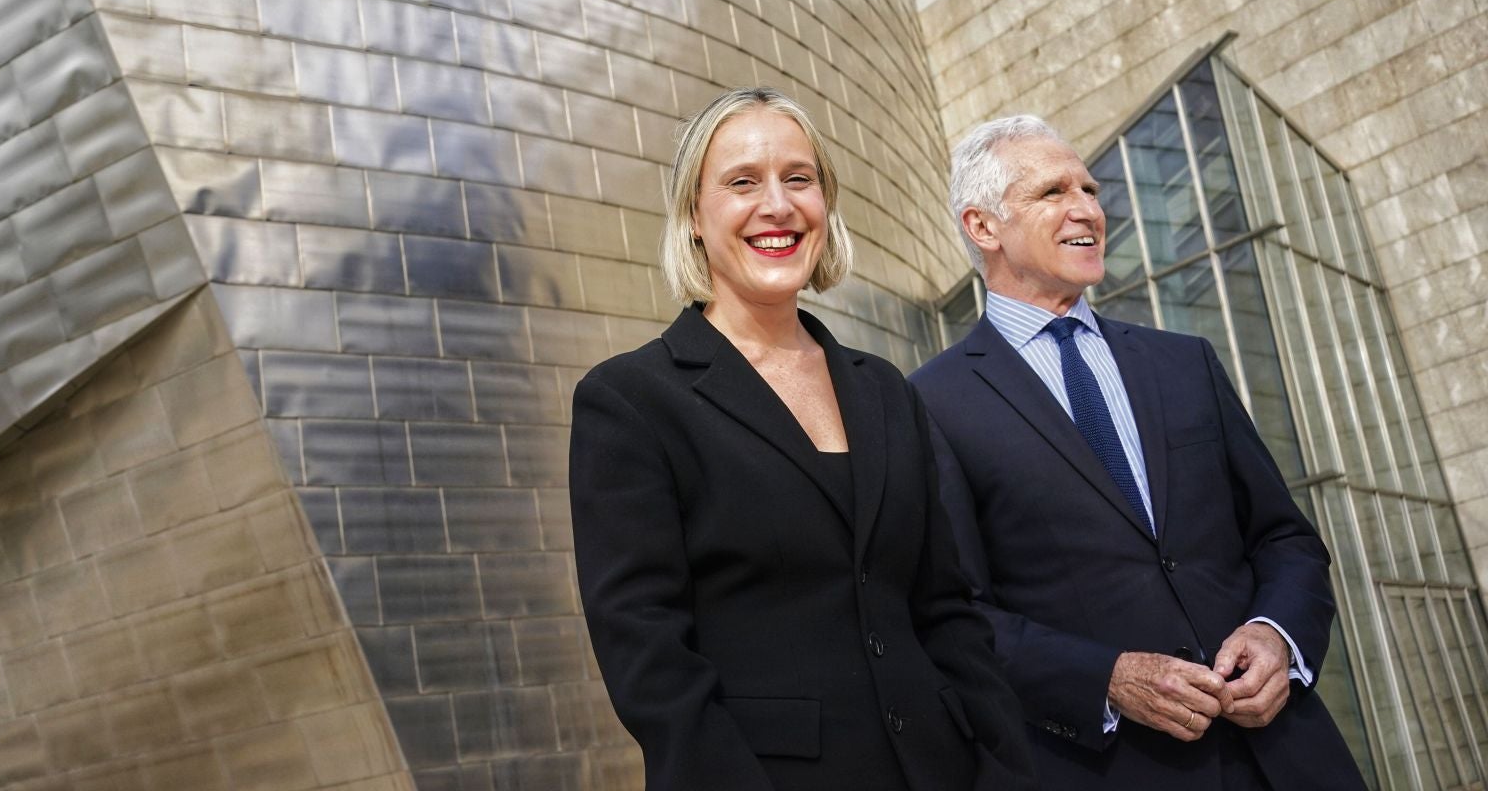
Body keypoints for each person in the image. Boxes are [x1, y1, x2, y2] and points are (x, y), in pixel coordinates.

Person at [569, 87, 1037, 791]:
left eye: (799, 178)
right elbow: (650, 658)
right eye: (742, 183)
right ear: (694, 217)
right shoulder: (632, 400)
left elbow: (944, 609)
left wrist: (1002, 766)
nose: (778, 206)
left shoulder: (883, 389)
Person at [909, 115, 1365, 790]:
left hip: (1288, 756)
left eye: (1090, 190)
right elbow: (955, 613)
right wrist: (1108, 679)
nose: (1089, 209)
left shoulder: (1186, 362)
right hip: (1116, 768)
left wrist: (1279, 636)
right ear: (983, 227)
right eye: (1054, 193)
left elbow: (1283, 538)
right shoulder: (928, 402)